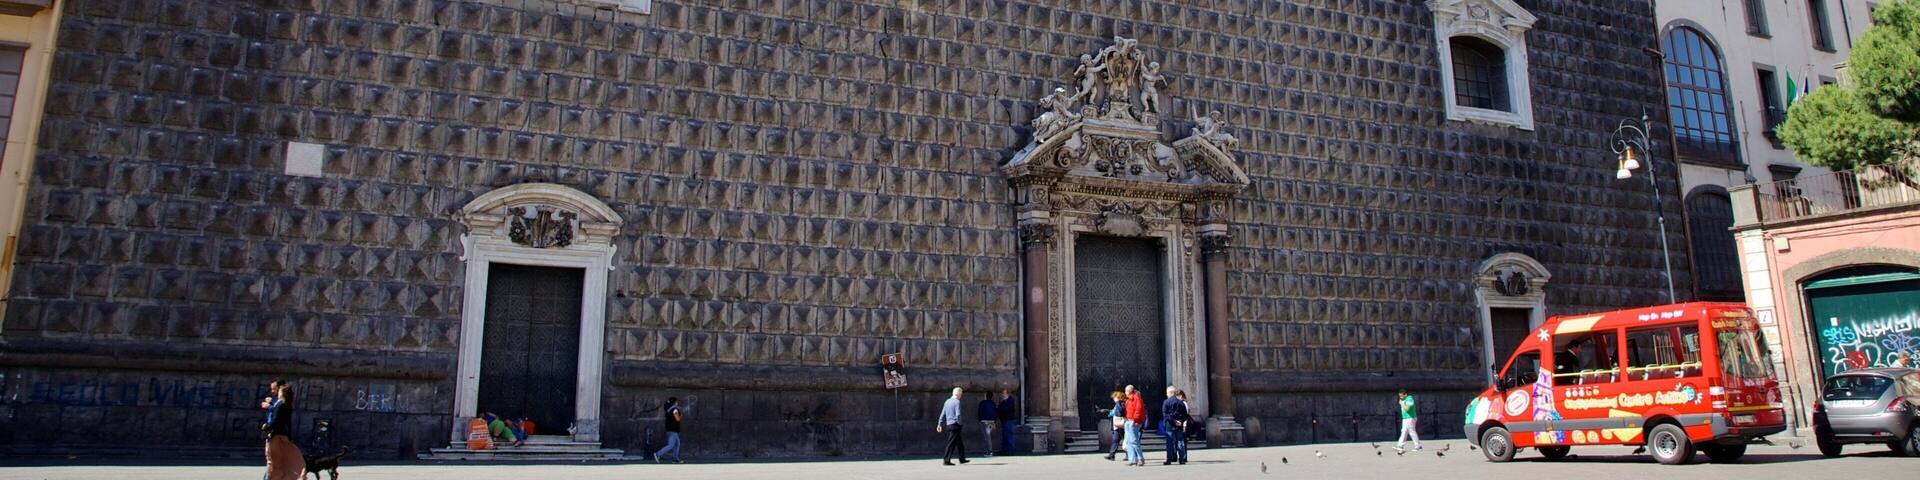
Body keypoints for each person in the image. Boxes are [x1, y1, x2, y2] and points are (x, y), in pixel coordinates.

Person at [262, 383, 306, 480]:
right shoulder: (287, 405)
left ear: (282, 393)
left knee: (272, 460)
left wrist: (266, 427)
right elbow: (288, 422)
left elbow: (276, 420)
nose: (277, 392)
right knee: (281, 460)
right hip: (283, 435)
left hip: (275, 435)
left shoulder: (280, 405)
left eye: (279, 391)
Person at [937, 387, 969, 466]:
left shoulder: (947, 401)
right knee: (951, 443)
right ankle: (946, 460)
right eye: (961, 394)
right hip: (955, 424)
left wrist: (939, 424)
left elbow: (943, 413)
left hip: (949, 424)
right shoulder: (957, 402)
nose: (961, 396)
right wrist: (960, 423)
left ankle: (962, 458)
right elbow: (958, 414)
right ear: (958, 394)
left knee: (959, 442)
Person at [1161, 386, 1190, 465]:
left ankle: (1169, 459)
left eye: (1167, 393)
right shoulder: (1181, 402)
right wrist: (1180, 421)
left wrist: (1173, 421)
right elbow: (1185, 415)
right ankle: (1182, 459)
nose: (1167, 395)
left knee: (1170, 442)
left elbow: (1165, 414)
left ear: (1170, 393)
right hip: (1179, 426)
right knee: (1180, 442)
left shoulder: (1166, 402)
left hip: (1170, 425)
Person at [654, 397, 684, 463]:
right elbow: (677, 419)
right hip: (673, 430)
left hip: (670, 430)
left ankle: (675, 459)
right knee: (671, 445)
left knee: (677, 444)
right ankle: (658, 454)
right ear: (674, 402)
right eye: (676, 401)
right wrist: (681, 415)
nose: (677, 403)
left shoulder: (669, 409)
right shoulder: (675, 409)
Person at [1122, 385, 1147, 467]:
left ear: (1129, 391)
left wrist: (1135, 420)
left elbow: (1138, 410)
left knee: (1134, 441)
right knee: (1129, 441)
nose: (1125, 392)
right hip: (1128, 420)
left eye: (1126, 391)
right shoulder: (1128, 399)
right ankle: (1132, 460)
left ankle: (1140, 459)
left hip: (1133, 421)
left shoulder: (1136, 399)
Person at [1103, 391, 1126, 461]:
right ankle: (1112, 455)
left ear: (1118, 397)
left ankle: (1129, 455)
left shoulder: (1120, 404)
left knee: (1124, 440)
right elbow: (1115, 412)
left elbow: (1119, 412)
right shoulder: (1118, 404)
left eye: (1114, 397)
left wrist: (1118, 402)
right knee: (1116, 440)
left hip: (1121, 424)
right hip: (1118, 425)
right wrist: (1108, 411)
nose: (1113, 399)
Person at [996, 389, 1019, 455]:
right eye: (1002, 393)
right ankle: (1004, 450)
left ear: (1007, 394)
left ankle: (1010, 451)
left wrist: (1001, 405)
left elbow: (1005, 409)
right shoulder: (1004, 401)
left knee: (1009, 436)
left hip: (1008, 420)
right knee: (1005, 436)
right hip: (1004, 420)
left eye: (1004, 393)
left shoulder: (1010, 401)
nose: (1003, 395)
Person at [976, 392, 998, 457]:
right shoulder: (993, 403)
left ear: (986, 396)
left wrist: (980, 420)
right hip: (991, 421)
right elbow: (995, 413)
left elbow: (980, 412)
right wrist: (994, 422)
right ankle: (988, 451)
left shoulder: (982, 403)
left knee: (987, 437)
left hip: (984, 421)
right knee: (988, 436)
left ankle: (989, 451)